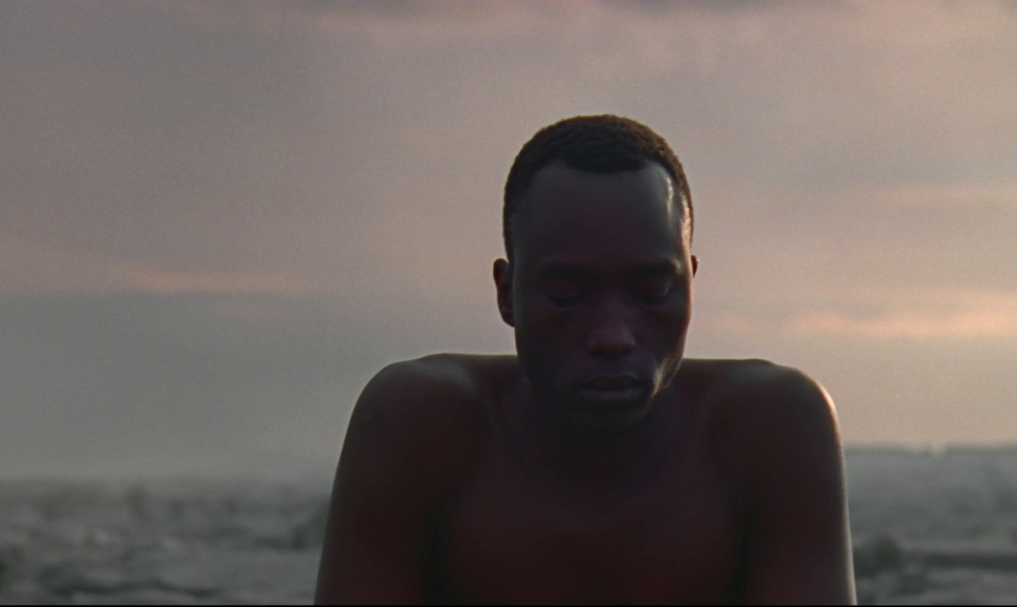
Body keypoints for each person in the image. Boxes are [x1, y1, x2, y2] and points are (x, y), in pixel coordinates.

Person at [314, 115, 855, 604]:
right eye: (569, 293)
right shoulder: (420, 425)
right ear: (507, 294)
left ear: (691, 284)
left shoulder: (768, 428)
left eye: (651, 291)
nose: (613, 335)